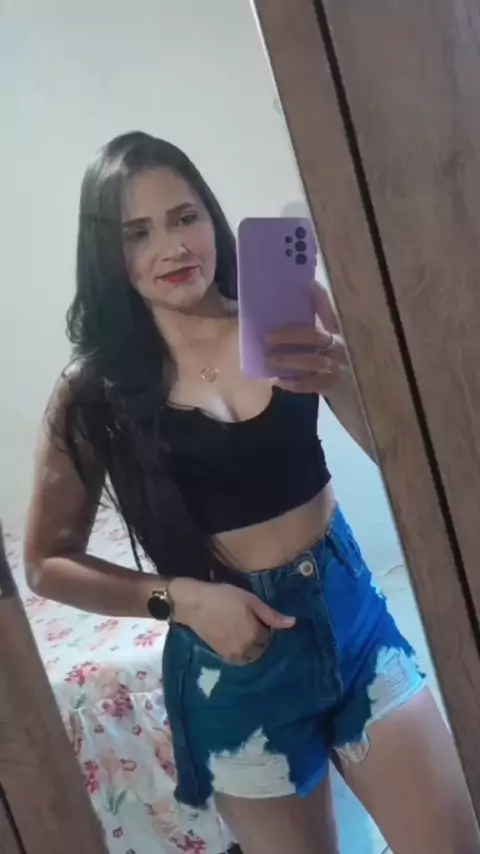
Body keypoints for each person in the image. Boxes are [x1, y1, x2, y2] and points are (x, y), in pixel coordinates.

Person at [24, 131, 479, 854]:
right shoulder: (93, 392)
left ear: (212, 217)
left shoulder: (286, 318)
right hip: (231, 664)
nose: (173, 247)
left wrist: (345, 379)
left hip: (352, 619)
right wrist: (179, 599)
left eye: (185, 217)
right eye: (138, 233)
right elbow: (46, 563)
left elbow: (402, 460)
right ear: (107, 254)